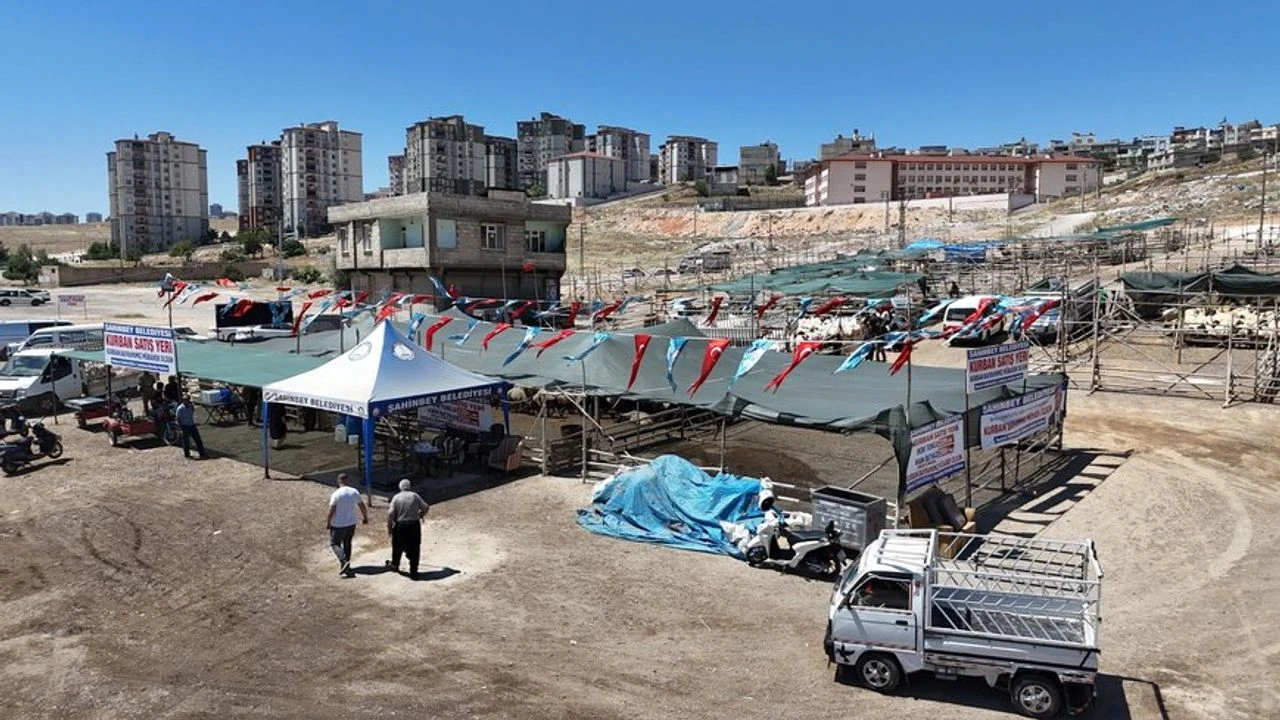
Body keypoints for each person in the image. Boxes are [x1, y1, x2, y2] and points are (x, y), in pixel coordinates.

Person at [386, 479, 429, 579]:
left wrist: (389, 528)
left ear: (400, 487)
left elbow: (390, 514)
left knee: (397, 546)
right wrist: (421, 515)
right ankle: (414, 571)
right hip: (414, 524)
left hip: (400, 524)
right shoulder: (415, 496)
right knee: (415, 547)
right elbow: (426, 507)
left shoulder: (396, 498)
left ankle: (395, 564)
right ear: (409, 487)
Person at [327, 473, 368, 578]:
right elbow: (362, 505)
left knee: (335, 543)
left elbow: (332, 510)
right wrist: (365, 517)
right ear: (347, 480)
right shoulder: (354, 492)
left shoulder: (336, 494)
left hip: (338, 524)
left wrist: (328, 522)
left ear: (338, 481)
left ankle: (344, 561)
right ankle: (346, 565)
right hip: (351, 523)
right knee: (347, 543)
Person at [175, 395, 207, 459]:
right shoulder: (180, 408)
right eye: (185, 400)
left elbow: (193, 411)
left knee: (198, 440)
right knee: (186, 441)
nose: (187, 401)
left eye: (188, 400)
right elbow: (178, 418)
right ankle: (187, 454)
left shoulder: (190, 406)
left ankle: (202, 453)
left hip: (192, 425)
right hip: (185, 426)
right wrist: (180, 428)